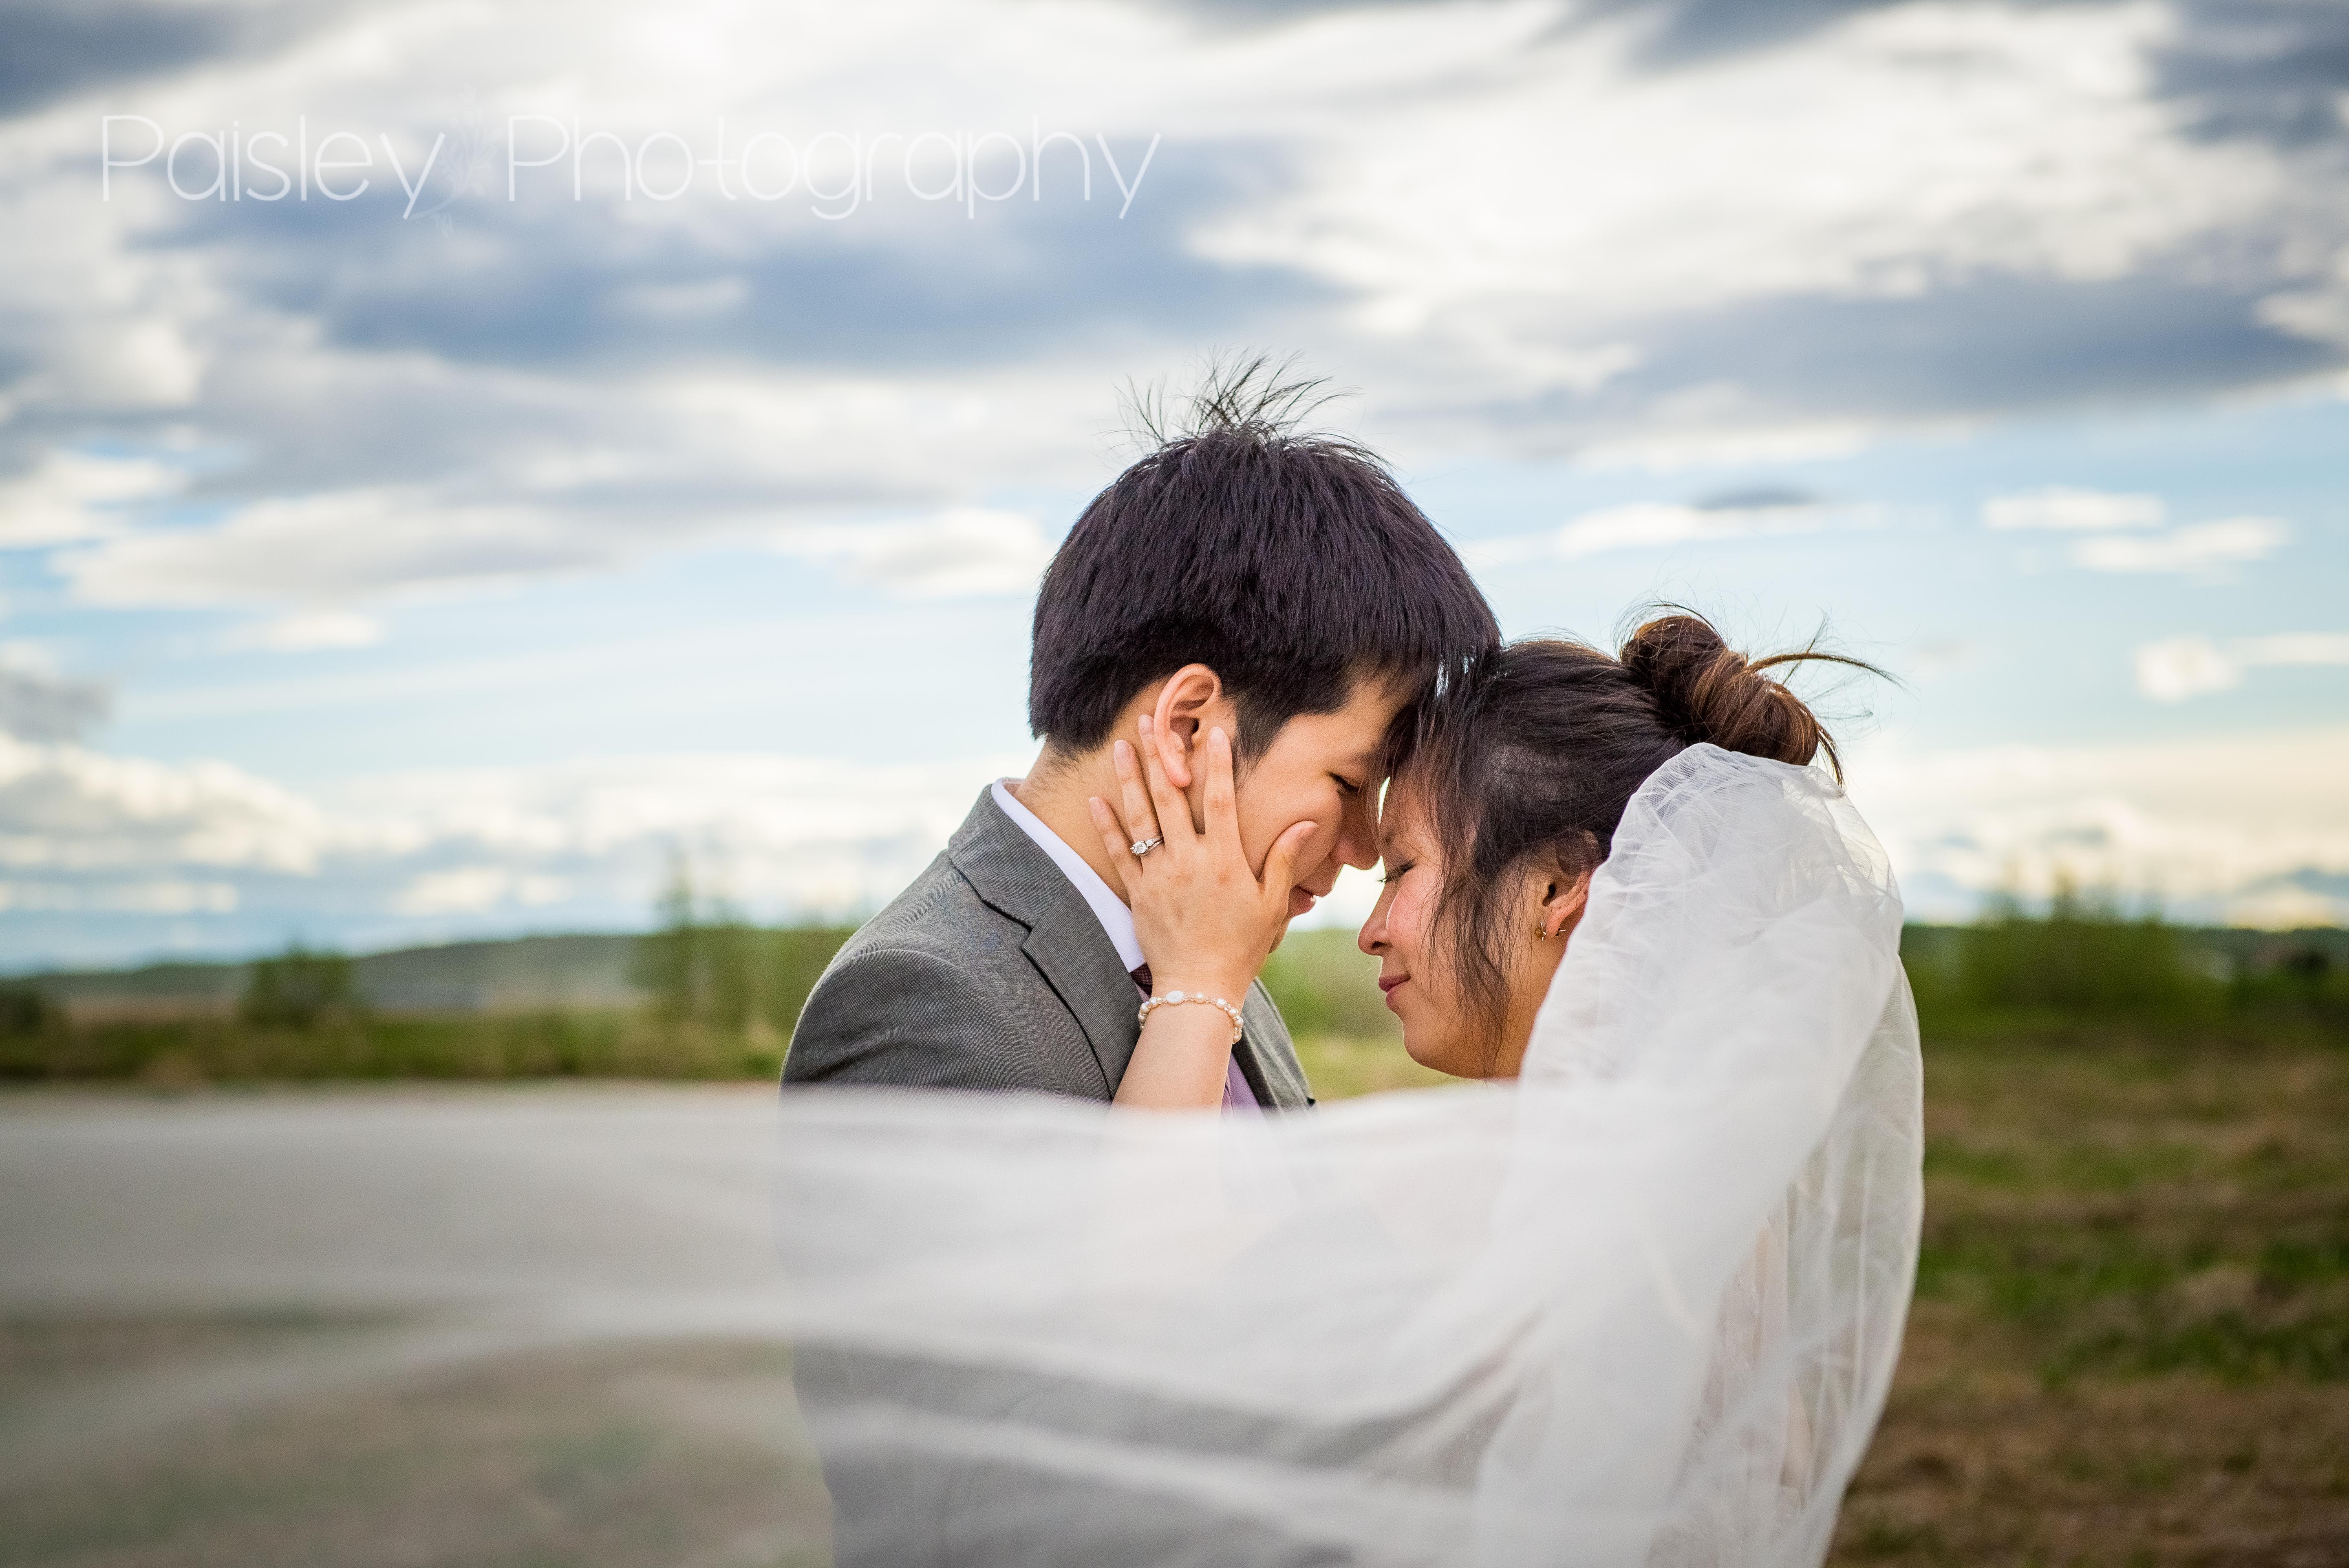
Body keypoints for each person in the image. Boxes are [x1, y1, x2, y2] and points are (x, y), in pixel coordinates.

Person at [773, 609, 1924, 1566]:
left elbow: (1142, 1324)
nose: (1361, 907)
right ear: (1187, 728)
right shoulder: (1661, 1173)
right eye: (1343, 783)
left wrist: (1195, 985)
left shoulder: (1525, 1186)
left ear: (1557, 890)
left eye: (1410, 863)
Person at [783, 361, 1499, 1111]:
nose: (1362, 849)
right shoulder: (922, 1001)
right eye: (1349, 784)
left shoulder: (1210, 957)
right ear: (1187, 727)